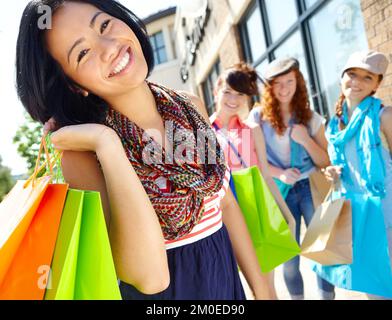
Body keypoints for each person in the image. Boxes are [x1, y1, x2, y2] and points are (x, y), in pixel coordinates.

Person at [16, 0, 273, 300]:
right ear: (74, 85)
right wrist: (108, 145)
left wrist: (263, 291)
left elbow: (225, 204)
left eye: (104, 25)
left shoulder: (191, 108)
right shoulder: (84, 154)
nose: (109, 47)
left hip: (226, 284)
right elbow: (150, 278)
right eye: (83, 53)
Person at [247, 57, 335, 300]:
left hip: (310, 187)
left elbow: (326, 160)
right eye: (279, 83)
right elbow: (252, 157)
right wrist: (280, 173)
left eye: (290, 81)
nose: (285, 88)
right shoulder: (258, 118)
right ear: (270, 87)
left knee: (321, 250)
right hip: (279, 191)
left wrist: (306, 139)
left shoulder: (309, 117)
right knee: (289, 257)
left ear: (298, 84)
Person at [210, 62, 297, 299]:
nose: (233, 99)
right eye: (227, 91)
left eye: (240, 94)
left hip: (256, 208)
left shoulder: (252, 129)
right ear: (216, 92)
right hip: (224, 214)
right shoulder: (203, 130)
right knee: (234, 287)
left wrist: (287, 215)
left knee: (266, 288)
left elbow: (266, 176)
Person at [321, 50, 392, 299]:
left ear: (377, 84)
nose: (357, 82)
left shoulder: (385, 116)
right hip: (356, 217)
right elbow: (348, 167)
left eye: (367, 77)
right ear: (342, 76)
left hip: (386, 216)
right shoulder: (335, 125)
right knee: (374, 290)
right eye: (352, 74)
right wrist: (333, 173)